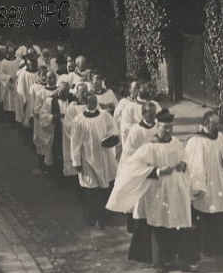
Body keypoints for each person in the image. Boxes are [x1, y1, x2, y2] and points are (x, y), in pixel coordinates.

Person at [106, 108, 200, 273]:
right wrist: (157, 171)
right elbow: (132, 166)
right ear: (157, 127)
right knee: (159, 225)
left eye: (171, 127)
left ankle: (177, 258)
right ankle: (159, 261)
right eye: (165, 127)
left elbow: (184, 157)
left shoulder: (176, 143)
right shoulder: (150, 147)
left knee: (176, 223)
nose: (169, 130)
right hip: (158, 191)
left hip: (175, 190)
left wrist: (183, 165)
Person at [186, 111, 223, 256]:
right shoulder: (196, 141)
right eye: (215, 124)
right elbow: (193, 165)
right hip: (206, 183)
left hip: (220, 181)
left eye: (219, 123)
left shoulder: (220, 137)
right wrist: (198, 186)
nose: (218, 127)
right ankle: (206, 248)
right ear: (206, 124)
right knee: (206, 212)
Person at [71, 93, 120, 229]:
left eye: (94, 100)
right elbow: (75, 142)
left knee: (105, 186)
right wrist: (76, 161)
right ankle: (95, 217)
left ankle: (104, 214)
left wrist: (111, 139)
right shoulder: (79, 120)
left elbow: (113, 130)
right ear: (86, 102)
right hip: (87, 158)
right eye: (90, 101)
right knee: (92, 189)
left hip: (104, 156)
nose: (92, 102)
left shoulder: (104, 116)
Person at [119, 101, 159, 263]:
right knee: (142, 213)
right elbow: (128, 154)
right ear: (143, 114)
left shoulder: (158, 127)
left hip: (156, 175)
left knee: (156, 213)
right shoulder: (136, 131)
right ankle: (142, 254)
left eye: (154, 113)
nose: (153, 116)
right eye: (150, 113)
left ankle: (157, 253)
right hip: (142, 175)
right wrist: (142, 165)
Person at [40, 81, 71, 183]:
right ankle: (58, 178)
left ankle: (69, 178)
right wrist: (54, 117)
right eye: (62, 92)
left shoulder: (71, 99)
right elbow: (43, 116)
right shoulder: (50, 101)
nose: (64, 95)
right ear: (58, 89)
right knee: (57, 153)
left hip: (69, 133)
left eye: (66, 92)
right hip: (57, 131)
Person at [119, 79, 162, 147]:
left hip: (152, 140)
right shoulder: (130, 107)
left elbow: (162, 120)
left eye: (147, 89)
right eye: (144, 89)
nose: (147, 91)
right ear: (137, 90)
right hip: (136, 140)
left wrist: (152, 125)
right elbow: (125, 126)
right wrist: (142, 127)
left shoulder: (154, 105)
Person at [63, 84, 90, 186]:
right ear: (77, 93)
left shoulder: (91, 104)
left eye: (86, 91)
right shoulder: (72, 107)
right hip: (78, 141)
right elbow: (68, 125)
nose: (84, 94)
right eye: (82, 92)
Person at [34, 71, 59, 174]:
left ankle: (52, 168)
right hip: (45, 123)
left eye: (53, 78)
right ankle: (42, 166)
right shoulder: (41, 93)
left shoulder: (59, 91)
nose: (51, 80)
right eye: (49, 78)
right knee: (43, 144)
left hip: (56, 124)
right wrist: (48, 116)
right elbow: (36, 109)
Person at [17, 48, 41, 145]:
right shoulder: (23, 74)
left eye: (34, 62)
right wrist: (24, 101)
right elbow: (20, 90)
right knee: (28, 120)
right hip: (28, 100)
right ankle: (27, 140)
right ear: (27, 63)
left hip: (38, 101)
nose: (33, 63)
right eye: (31, 62)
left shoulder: (39, 73)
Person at [0, 45, 22, 124]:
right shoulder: (4, 62)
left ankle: (16, 120)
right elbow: (1, 74)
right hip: (8, 85)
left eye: (12, 53)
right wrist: (8, 78)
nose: (11, 54)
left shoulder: (18, 60)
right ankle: (9, 120)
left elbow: (22, 68)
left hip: (17, 84)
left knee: (16, 103)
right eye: (9, 53)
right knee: (9, 103)